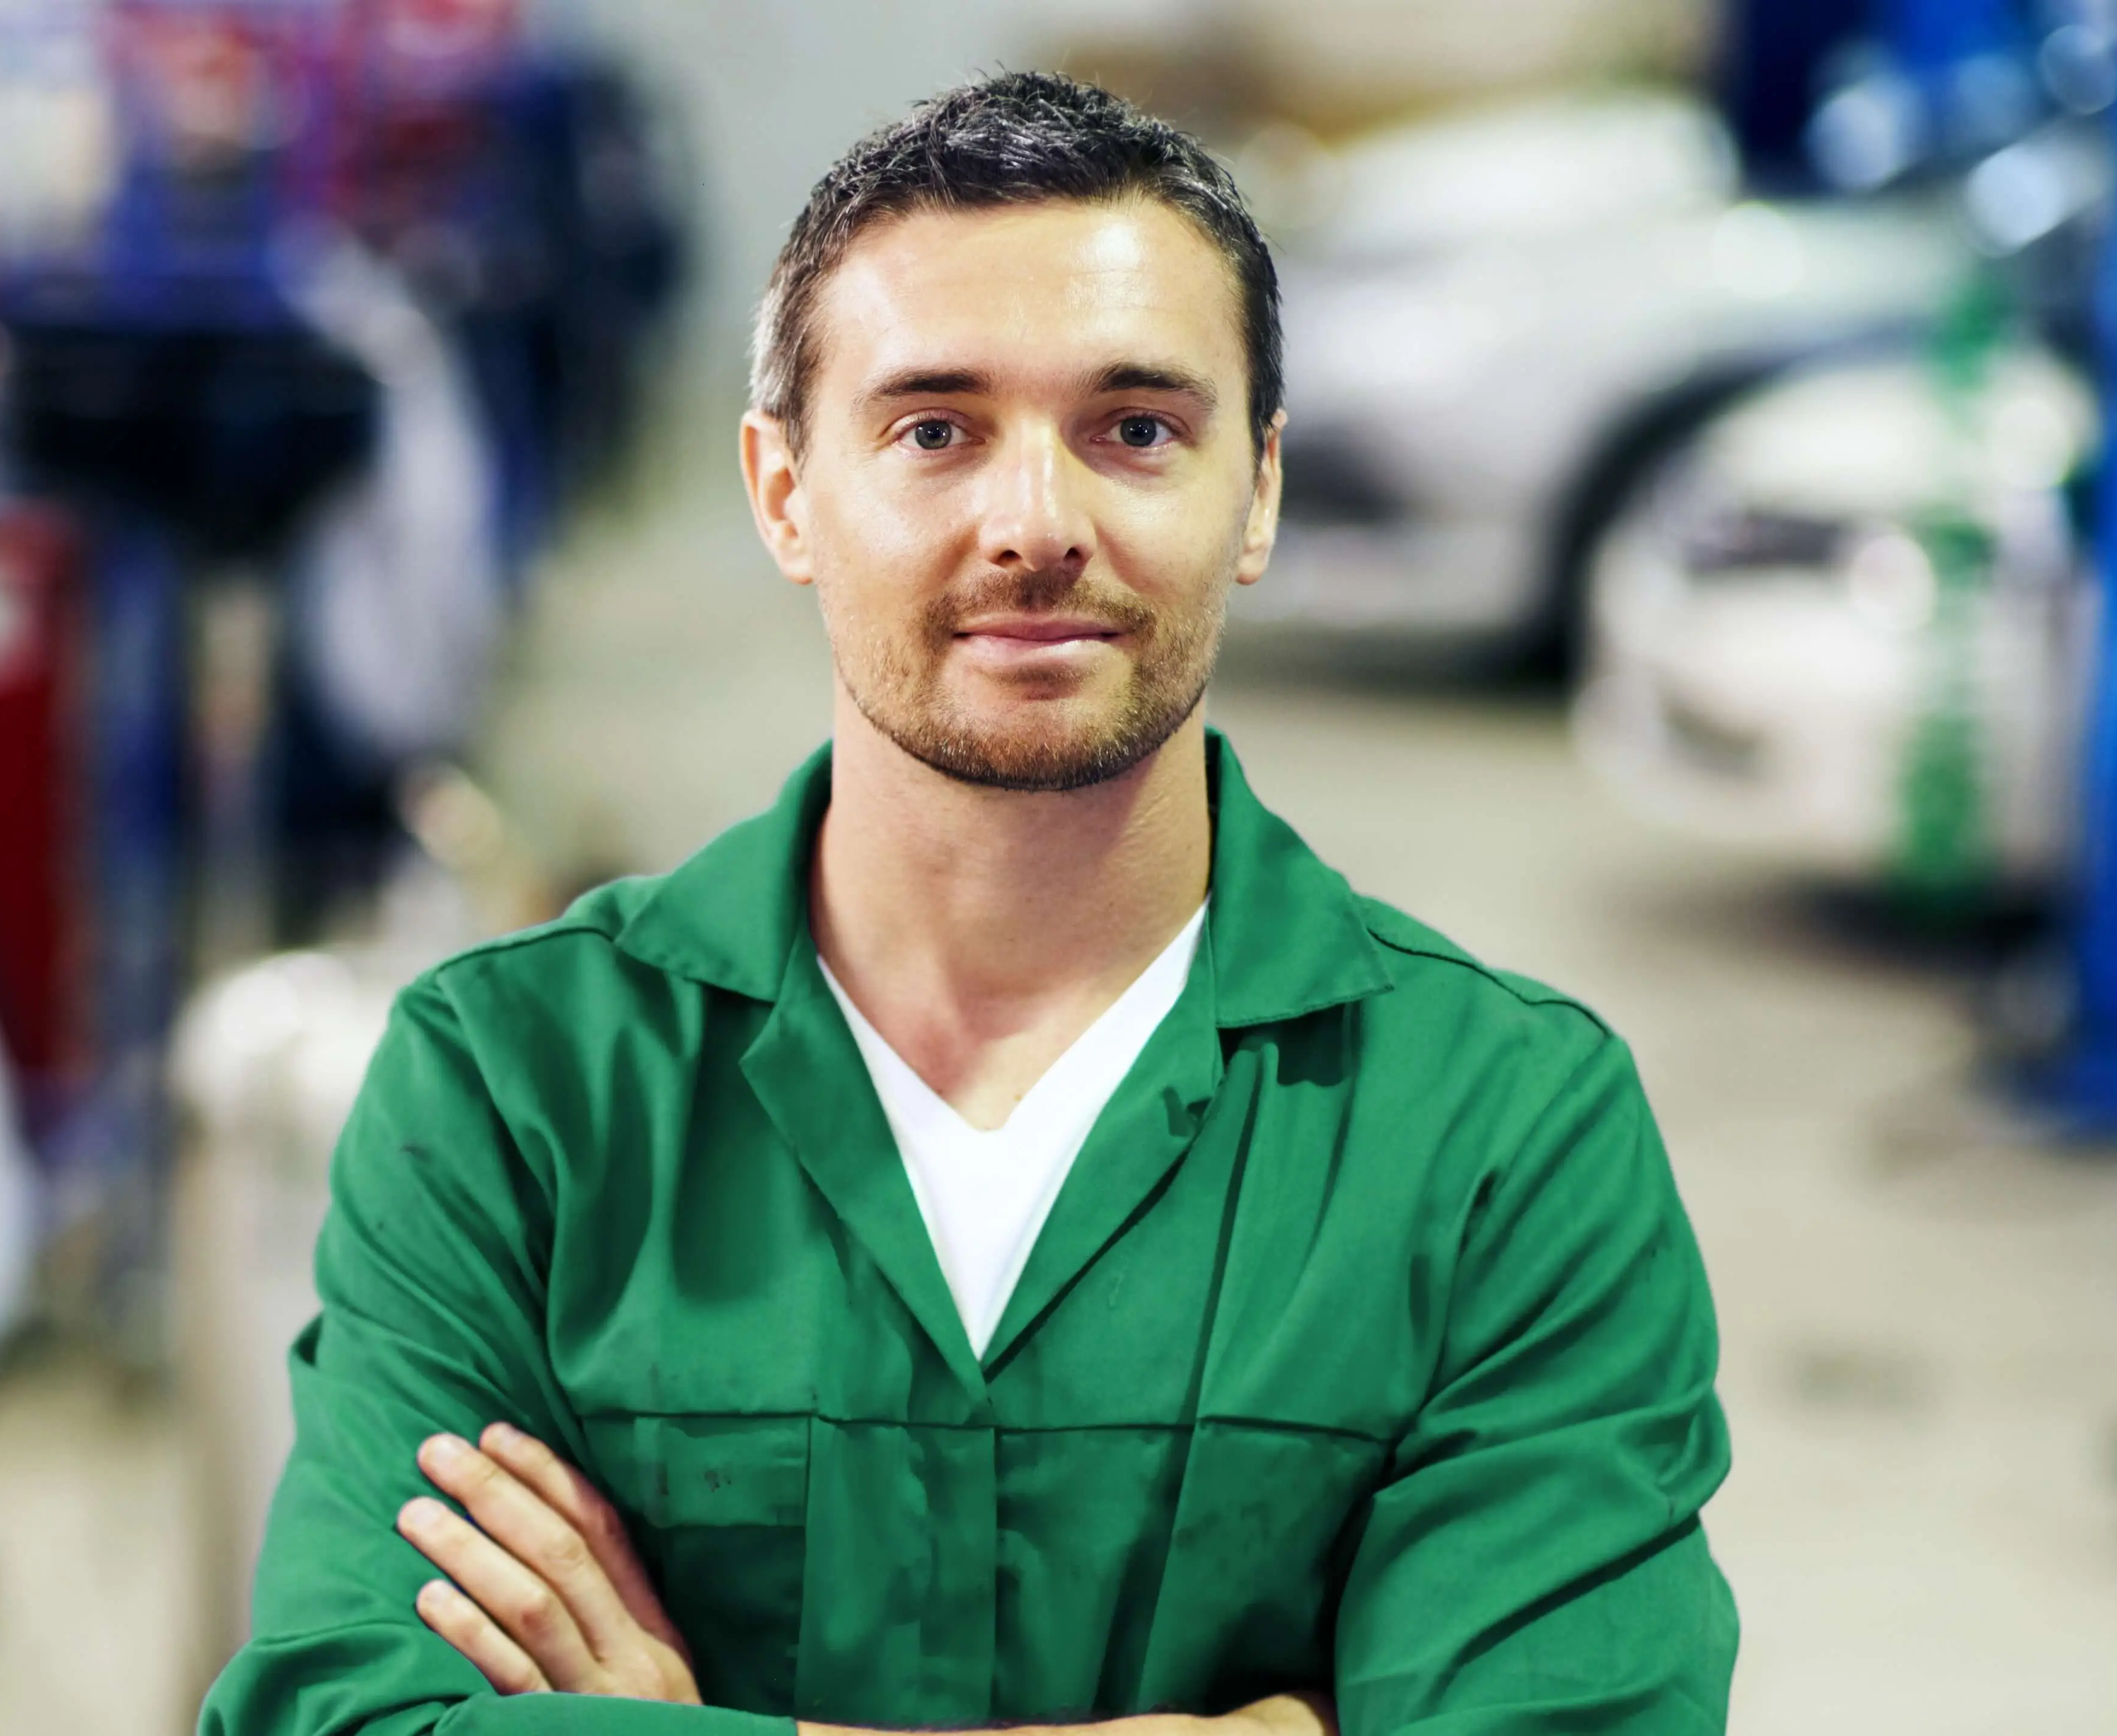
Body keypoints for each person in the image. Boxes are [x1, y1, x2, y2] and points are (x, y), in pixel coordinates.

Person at [197, 71, 1737, 1735]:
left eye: (1135, 430)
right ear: (785, 491)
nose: (1035, 526)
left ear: (1262, 492)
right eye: (935, 431)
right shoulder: (518, 1092)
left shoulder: (1502, 1133)